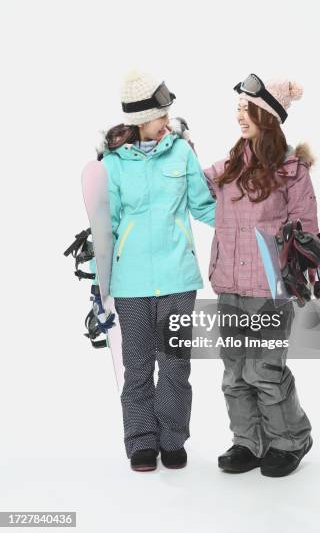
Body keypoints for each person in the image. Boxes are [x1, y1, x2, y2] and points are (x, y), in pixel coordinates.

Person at [91, 69, 216, 472]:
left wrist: (248, 219)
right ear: (141, 119)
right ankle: (142, 440)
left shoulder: (182, 153)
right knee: (139, 364)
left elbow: (203, 205)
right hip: (131, 284)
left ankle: (173, 437)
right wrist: (99, 281)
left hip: (179, 276)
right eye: (161, 114)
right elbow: (104, 226)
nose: (168, 120)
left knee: (176, 363)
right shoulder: (112, 164)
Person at [203, 73, 318, 477]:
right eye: (236, 109)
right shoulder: (230, 164)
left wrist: (304, 269)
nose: (238, 116)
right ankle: (248, 442)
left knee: (263, 370)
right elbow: (195, 187)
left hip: (269, 288)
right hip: (229, 283)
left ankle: (290, 440)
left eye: (245, 109)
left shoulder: (290, 170)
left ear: (266, 115)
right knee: (234, 369)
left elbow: (305, 226)